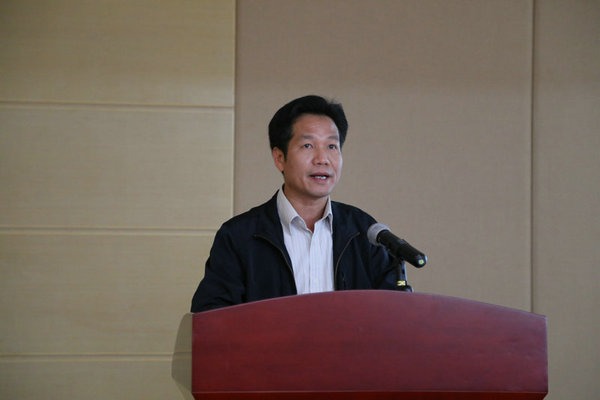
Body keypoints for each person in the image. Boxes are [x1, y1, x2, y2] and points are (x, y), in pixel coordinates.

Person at [191, 95, 396, 312]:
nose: (322, 159)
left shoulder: (364, 231)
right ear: (279, 158)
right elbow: (211, 315)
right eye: (308, 145)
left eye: (332, 146)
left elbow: (392, 312)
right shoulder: (239, 236)